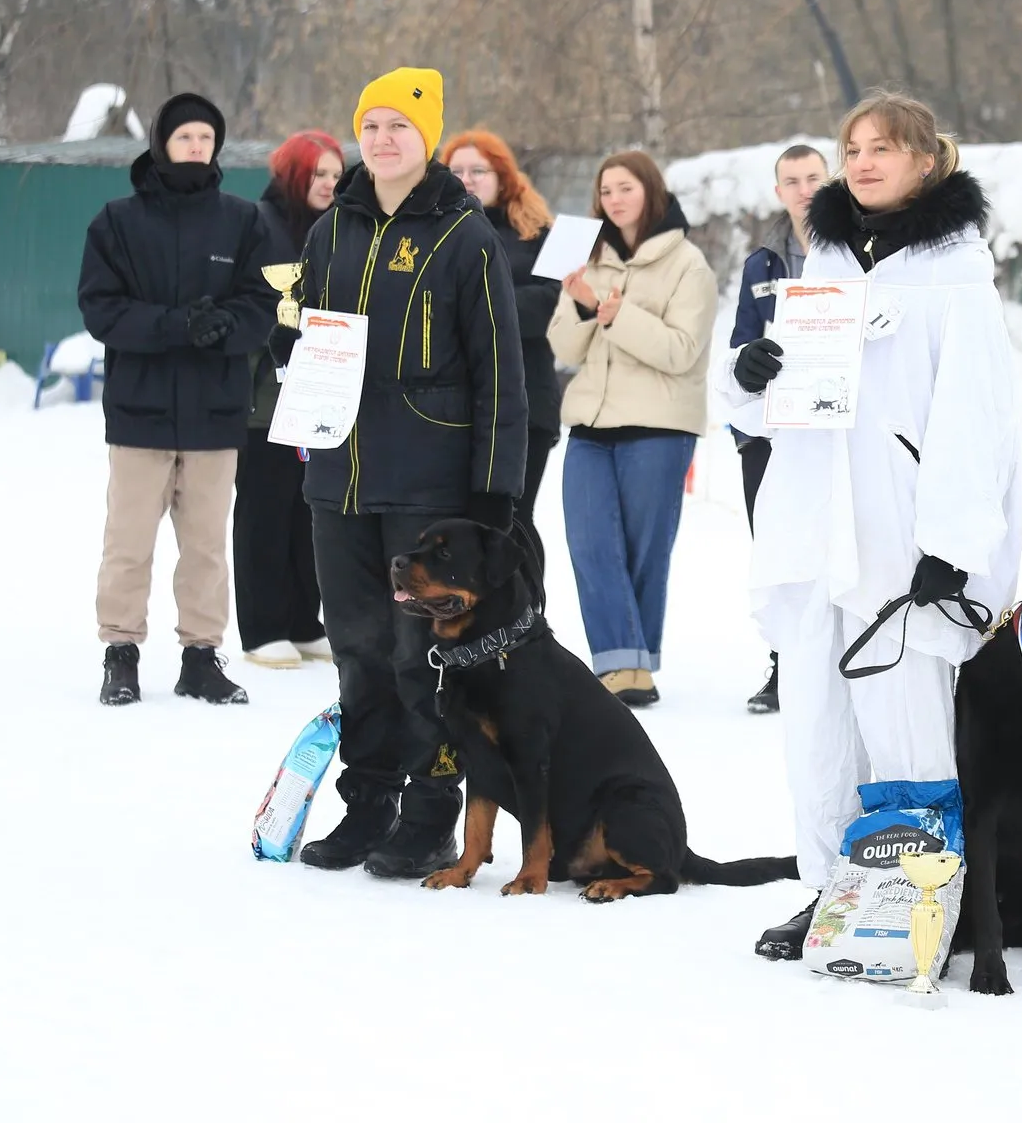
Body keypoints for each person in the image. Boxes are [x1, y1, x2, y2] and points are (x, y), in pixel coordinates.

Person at [720, 92, 1022, 961]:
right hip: (815, 525)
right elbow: (781, 405)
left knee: (903, 715)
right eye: (852, 147)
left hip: (901, 534)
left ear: (926, 161)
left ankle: (925, 893)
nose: (861, 162)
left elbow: (978, 419)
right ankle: (830, 892)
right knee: (816, 717)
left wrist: (955, 545)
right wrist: (751, 375)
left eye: (882, 147)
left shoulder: (957, 274)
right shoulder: (826, 261)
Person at [287, 67, 528, 879]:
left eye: (400, 127)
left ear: (427, 139)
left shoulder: (465, 237)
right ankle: (368, 808)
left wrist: (495, 491)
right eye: (371, 126)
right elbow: (314, 338)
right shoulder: (331, 230)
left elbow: (502, 369)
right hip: (339, 479)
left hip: (426, 481)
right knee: (354, 647)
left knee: (416, 654)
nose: (383, 140)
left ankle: (429, 815)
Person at [78, 92, 277, 707]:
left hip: (216, 414)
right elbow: (100, 309)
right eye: (186, 136)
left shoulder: (243, 221)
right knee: (129, 543)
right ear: (162, 142)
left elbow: (262, 305)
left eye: (206, 139)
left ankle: (201, 656)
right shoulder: (118, 221)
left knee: (207, 546)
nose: (197, 147)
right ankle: (121, 653)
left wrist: (223, 328)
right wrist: (172, 326)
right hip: (139, 414)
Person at [547, 151, 716, 707]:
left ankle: (631, 668)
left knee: (644, 553)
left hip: (659, 427)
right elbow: (563, 347)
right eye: (606, 190)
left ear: (651, 191)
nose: (614, 199)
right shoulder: (586, 259)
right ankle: (623, 666)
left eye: (625, 188)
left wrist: (613, 312)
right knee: (590, 545)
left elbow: (680, 352)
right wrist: (583, 307)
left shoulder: (688, 263)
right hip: (591, 424)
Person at [233, 129, 341, 669]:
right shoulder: (259, 223)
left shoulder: (336, 229)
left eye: (334, 175)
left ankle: (304, 619)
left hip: (321, 395)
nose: (327, 184)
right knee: (264, 511)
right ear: (294, 174)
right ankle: (262, 626)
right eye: (317, 173)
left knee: (309, 512)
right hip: (263, 399)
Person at [728, 143, 828, 713]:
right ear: (778, 191)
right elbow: (739, 348)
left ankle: (834, 665)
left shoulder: (856, 248)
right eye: (791, 181)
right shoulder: (761, 262)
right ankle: (783, 665)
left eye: (813, 177)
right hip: (769, 433)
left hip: (831, 428)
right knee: (777, 553)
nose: (803, 190)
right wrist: (746, 431)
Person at [442, 129, 561, 529]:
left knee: (515, 520)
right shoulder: (435, 232)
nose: (467, 178)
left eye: (479, 169)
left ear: (502, 175)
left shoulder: (539, 232)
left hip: (528, 397)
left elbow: (552, 304)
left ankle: (527, 595)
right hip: (456, 402)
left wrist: (475, 304)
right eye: (456, 169)